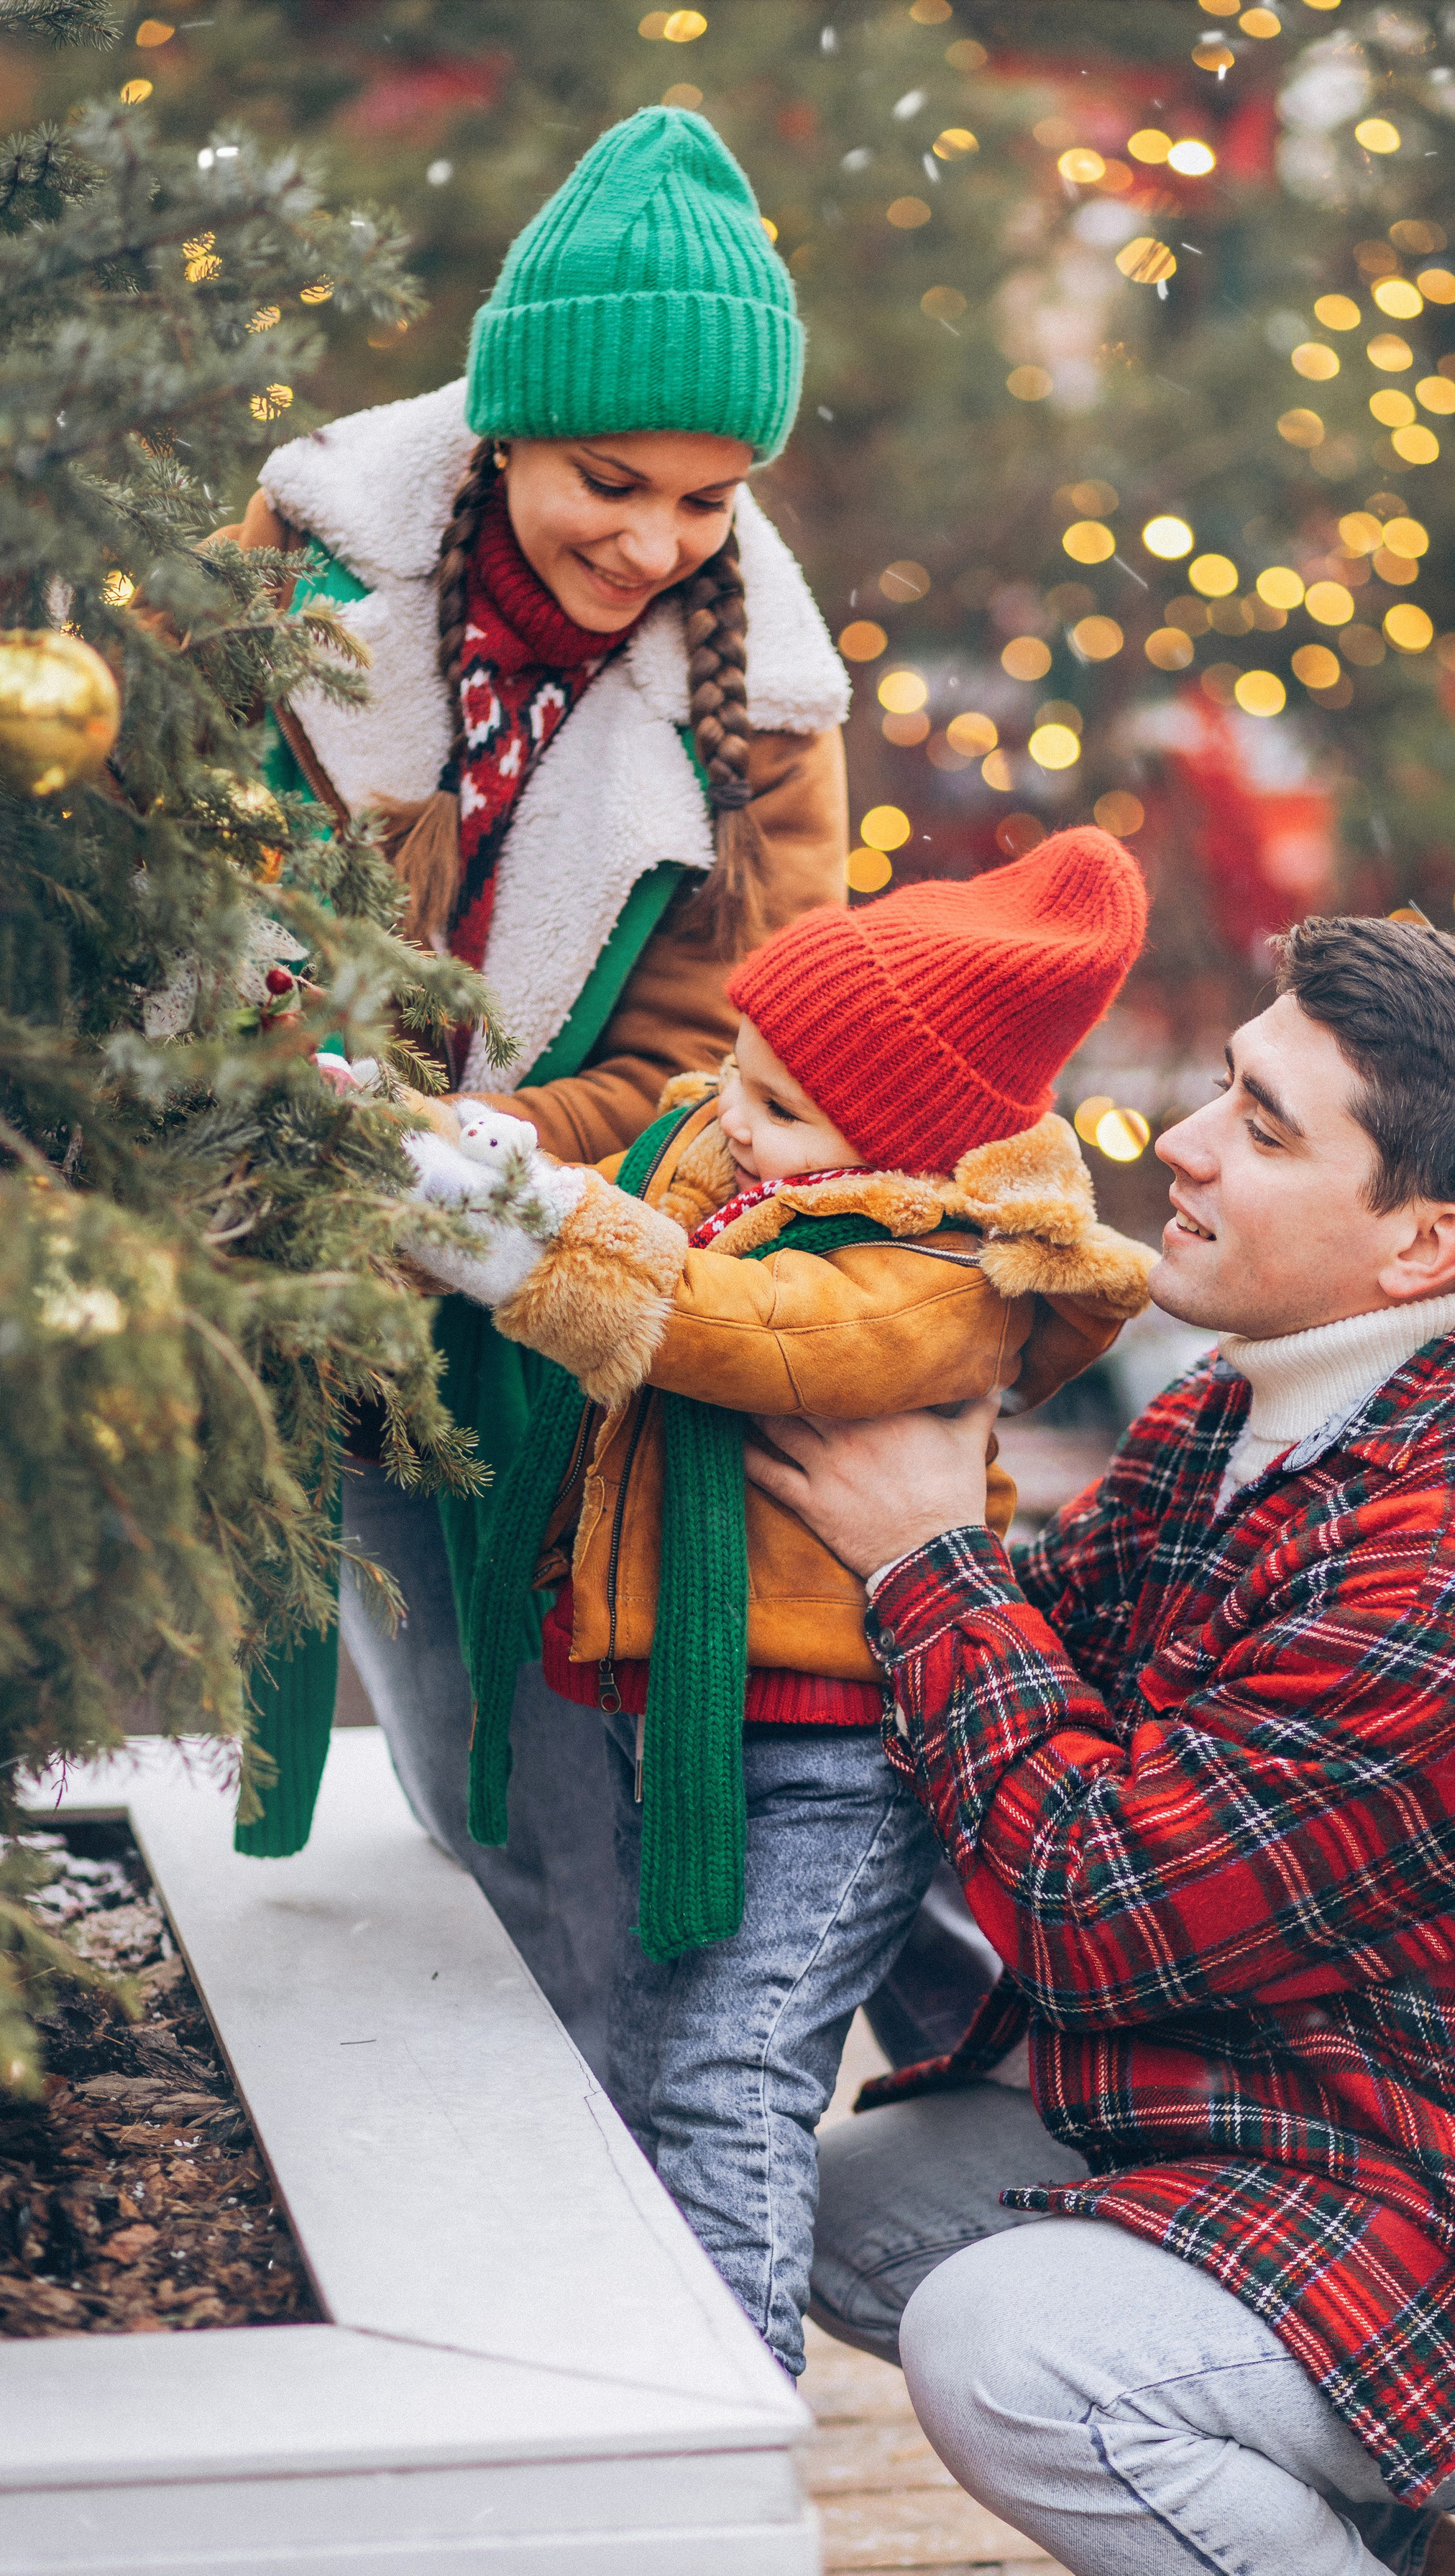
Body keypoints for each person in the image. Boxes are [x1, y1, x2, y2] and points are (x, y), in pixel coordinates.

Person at [744, 916, 1455, 2576]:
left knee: (1009, 2350)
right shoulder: (1253, 1409)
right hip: (1348, 2105)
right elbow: (1064, 1671)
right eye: (1219, 1088)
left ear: (1420, 1244)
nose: (1177, 1143)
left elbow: (1093, 1908)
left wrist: (918, 1564)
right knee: (848, 2220)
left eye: (1259, 1127)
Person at [212, 106, 850, 2074]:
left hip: (518, 1273)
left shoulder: (763, 710)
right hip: (225, 1220)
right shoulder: (285, 580)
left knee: (534, 1748)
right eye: (609, 480)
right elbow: (155, 869)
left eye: (706, 500)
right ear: (501, 428)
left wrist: (464, 1164)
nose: (652, 545)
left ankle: (662, 2107)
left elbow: (717, 1053)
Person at [396, 827, 1157, 2378]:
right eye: (734, 1066)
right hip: (679, 1720)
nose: (727, 1117)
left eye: (778, 1105)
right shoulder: (738, 1154)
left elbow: (710, 1322)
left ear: (903, 1149)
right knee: (661, 2047)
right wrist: (431, 1151)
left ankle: (727, 2403)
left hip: (840, 1756)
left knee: (731, 2070)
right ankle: (647, 2361)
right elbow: (597, 1186)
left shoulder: (935, 1283)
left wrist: (483, 1220)